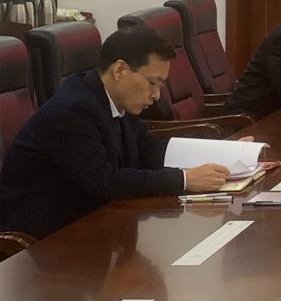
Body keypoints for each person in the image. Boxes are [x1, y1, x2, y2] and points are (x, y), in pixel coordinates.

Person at [0, 26, 230, 239]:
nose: (157, 95)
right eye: (153, 83)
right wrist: (185, 179)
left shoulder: (116, 101)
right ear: (120, 70)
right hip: (42, 240)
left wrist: (227, 154)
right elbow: (105, 181)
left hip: (92, 224)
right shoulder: (73, 110)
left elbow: (151, 150)